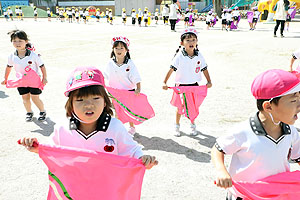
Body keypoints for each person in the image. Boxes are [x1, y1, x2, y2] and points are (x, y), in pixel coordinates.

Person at [19, 66, 158, 170]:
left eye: (96, 98)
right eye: (80, 100)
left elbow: (132, 150)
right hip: (75, 186)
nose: (89, 105)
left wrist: (143, 158)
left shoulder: (114, 127)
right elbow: (52, 149)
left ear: (105, 102)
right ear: (71, 105)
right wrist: (37, 147)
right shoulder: (63, 128)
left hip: (106, 186)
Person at [211, 69, 300, 200]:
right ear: (268, 107)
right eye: (294, 101)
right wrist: (221, 171)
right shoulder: (243, 131)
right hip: (244, 195)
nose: (299, 105)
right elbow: (218, 149)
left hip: (275, 195)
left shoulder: (291, 132)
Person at [162, 28, 212, 136]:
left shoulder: (199, 55)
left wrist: (209, 81)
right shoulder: (179, 56)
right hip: (181, 86)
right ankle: (177, 125)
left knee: (193, 107)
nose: (191, 42)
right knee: (180, 107)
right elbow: (171, 69)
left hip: (194, 85)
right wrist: (164, 82)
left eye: (193, 40)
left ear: (197, 42)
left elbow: (204, 68)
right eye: (188, 40)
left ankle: (192, 125)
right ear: (182, 43)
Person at [1, 30, 47, 122]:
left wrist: (44, 77)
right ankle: (29, 112)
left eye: (20, 41)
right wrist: (5, 78)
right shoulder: (12, 56)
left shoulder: (33, 55)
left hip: (34, 81)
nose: (17, 43)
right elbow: (8, 67)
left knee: (35, 98)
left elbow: (42, 66)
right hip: (21, 81)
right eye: (14, 41)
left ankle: (42, 111)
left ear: (26, 41)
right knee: (25, 98)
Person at [104, 37, 142, 135]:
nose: (119, 50)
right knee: (117, 111)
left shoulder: (130, 63)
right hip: (115, 92)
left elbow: (136, 76)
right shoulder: (110, 63)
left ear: (126, 50)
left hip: (128, 91)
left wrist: (138, 88)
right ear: (113, 49)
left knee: (128, 111)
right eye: (116, 48)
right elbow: (105, 76)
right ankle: (118, 129)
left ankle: (132, 127)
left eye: (121, 48)